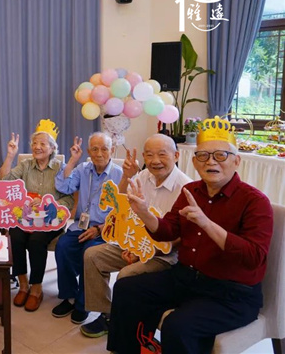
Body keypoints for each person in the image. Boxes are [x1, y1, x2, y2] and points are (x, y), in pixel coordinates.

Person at [107, 116, 273, 354]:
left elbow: (254, 257)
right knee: (126, 289)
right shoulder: (191, 190)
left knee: (178, 326)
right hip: (186, 278)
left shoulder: (255, 201)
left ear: (236, 161)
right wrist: (144, 212)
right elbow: (167, 231)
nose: (211, 161)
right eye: (203, 155)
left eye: (220, 155)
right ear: (194, 162)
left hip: (232, 294)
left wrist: (207, 224)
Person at [80, 134, 192, 338]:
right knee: (92, 255)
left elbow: (181, 237)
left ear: (176, 156)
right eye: (149, 155)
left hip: (164, 254)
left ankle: (129, 320)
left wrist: (143, 253)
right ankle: (107, 313)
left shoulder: (186, 188)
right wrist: (126, 177)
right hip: (133, 242)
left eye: (162, 154)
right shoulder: (143, 176)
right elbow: (120, 204)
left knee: (127, 274)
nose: (155, 160)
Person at [0, 119, 74, 312]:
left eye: (42, 143)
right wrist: (10, 156)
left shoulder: (61, 168)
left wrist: (49, 205)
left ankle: (36, 288)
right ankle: (23, 284)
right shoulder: (25, 165)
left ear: (52, 148)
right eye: (34, 143)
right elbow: (3, 181)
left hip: (50, 219)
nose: (37, 147)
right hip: (26, 218)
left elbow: (68, 198)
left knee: (36, 240)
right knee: (15, 235)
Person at [52, 132, 123, 324]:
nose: (99, 153)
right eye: (94, 149)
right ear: (88, 152)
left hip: (106, 229)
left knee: (89, 253)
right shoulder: (83, 169)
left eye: (104, 149)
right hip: (80, 226)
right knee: (63, 246)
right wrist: (72, 161)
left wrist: (99, 229)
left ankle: (83, 303)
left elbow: (123, 213)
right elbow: (64, 187)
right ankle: (69, 296)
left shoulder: (119, 174)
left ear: (112, 150)